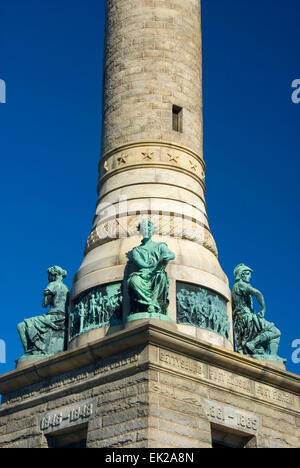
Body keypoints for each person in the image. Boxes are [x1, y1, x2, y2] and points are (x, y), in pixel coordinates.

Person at [232, 264, 286, 363]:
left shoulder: (235, 288)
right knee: (276, 332)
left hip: (242, 320)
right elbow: (257, 293)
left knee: (275, 332)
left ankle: (272, 355)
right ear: (242, 275)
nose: (250, 276)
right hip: (247, 318)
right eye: (248, 274)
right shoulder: (241, 285)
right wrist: (263, 308)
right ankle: (253, 343)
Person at [17, 266, 69, 358]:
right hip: (63, 317)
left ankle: (29, 351)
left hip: (53, 317)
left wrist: (46, 294)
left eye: (49, 275)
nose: (48, 278)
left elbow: (44, 304)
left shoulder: (52, 285)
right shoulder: (66, 289)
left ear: (55, 275)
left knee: (21, 326)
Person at [127, 220, 175, 315]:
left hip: (157, 272)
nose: (146, 231)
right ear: (141, 232)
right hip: (143, 274)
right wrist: (152, 265)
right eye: (144, 229)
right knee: (133, 280)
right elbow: (138, 261)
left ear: (152, 231)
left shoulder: (160, 245)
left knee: (160, 276)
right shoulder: (137, 250)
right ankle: (148, 302)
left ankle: (154, 304)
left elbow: (171, 255)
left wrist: (164, 260)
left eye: (149, 229)